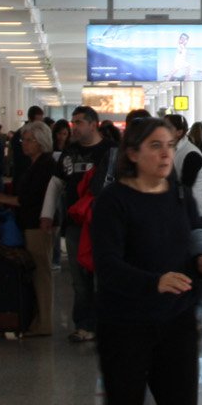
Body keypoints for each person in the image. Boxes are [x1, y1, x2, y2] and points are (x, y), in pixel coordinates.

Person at [66, 115, 202, 405]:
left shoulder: (179, 198)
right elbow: (108, 267)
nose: (165, 153)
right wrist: (153, 280)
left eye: (169, 145)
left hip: (175, 323)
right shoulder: (114, 202)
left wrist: (201, 267)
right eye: (155, 146)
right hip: (125, 325)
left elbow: (188, 252)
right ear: (132, 154)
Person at [0, 119, 60, 337]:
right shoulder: (37, 164)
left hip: (39, 223)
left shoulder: (45, 165)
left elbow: (31, 199)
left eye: (29, 140)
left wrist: (6, 198)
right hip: (31, 222)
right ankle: (38, 319)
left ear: (41, 142)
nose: (24, 144)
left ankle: (45, 322)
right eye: (24, 140)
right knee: (38, 271)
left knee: (41, 272)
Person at [58, 105, 120, 343]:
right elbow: (57, 182)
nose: (74, 126)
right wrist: (47, 214)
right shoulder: (70, 152)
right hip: (76, 222)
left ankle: (104, 322)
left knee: (102, 275)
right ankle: (83, 323)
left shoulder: (112, 151)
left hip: (103, 224)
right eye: (73, 122)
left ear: (93, 124)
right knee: (79, 277)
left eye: (79, 122)